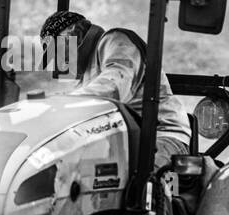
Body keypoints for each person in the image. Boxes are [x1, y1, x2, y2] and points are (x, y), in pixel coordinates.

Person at [39, 10, 192, 169]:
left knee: (139, 183)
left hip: (158, 136)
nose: (58, 61)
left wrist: (61, 104)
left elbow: (114, 86)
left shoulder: (116, 41)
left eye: (57, 50)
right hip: (125, 140)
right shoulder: (86, 75)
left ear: (76, 33)